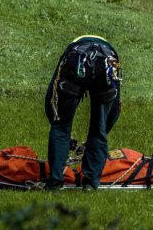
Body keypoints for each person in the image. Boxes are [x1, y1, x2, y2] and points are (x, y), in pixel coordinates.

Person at [44, 35, 122, 190]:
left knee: (61, 126)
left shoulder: (70, 51)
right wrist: (104, 131)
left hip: (75, 62)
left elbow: (51, 101)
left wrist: (60, 129)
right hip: (105, 67)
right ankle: (91, 183)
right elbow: (114, 112)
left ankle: (54, 182)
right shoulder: (112, 56)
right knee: (98, 129)